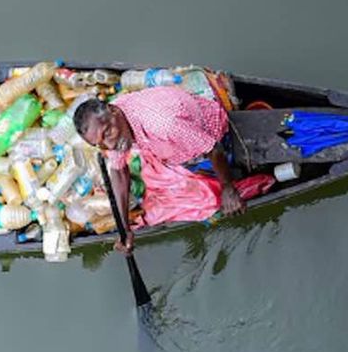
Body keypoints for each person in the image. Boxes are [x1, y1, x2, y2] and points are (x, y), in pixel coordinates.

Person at [73, 86, 273, 254]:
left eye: (107, 133)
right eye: (99, 144)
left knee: (215, 191)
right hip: (176, 149)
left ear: (113, 111)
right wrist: (125, 229)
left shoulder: (163, 124)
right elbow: (118, 170)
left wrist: (228, 188)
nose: (109, 145)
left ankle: (243, 172)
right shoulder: (116, 131)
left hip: (213, 136)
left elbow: (213, 148)